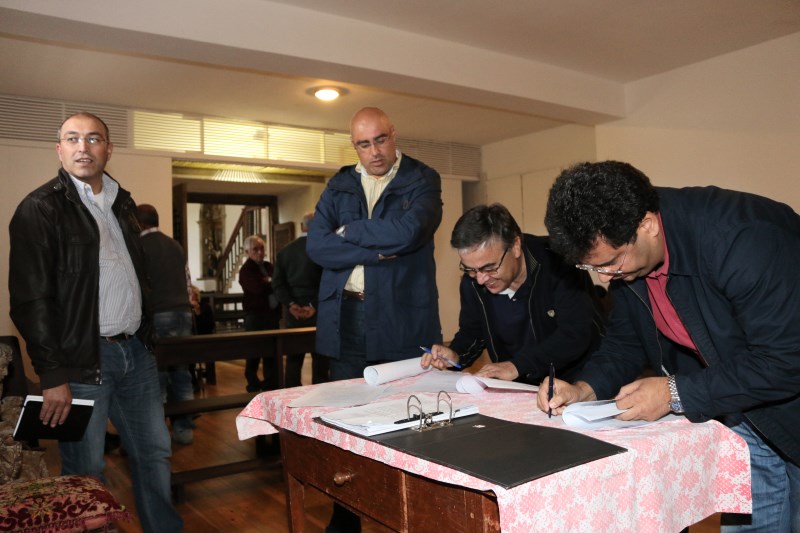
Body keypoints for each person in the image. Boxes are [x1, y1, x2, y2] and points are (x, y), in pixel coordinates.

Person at [540, 160, 800, 532]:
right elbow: (626, 342)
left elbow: (787, 360)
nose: (604, 277)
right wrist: (584, 387)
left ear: (647, 225)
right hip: (742, 405)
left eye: (610, 263)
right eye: (591, 268)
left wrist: (674, 392)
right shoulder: (632, 260)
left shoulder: (742, 238)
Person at [8, 112, 183, 532]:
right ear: (59, 149)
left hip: (135, 353)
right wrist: (53, 374)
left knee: (154, 455)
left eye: (93, 139)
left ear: (108, 148)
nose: (83, 147)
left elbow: (133, 275)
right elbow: (31, 300)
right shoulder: (39, 208)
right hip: (82, 359)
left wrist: (148, 334)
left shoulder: (122, 204)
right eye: (72, 139)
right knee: (86, 469)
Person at [306, 107, 443, 533]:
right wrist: (374, 247)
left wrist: (349, 233)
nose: (374, 152)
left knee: (409, 419)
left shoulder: (422, 179)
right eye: (364, 144)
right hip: (346, 314)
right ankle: (345, 520)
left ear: (394, 134)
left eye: (381, 140)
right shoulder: (341, 183)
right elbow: (317, 247)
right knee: (347, 419)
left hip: (403, 316)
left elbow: (408, 233)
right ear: (354, 146)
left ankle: (415, 514)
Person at [421, 203, 605, 384]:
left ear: (515, 246)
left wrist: (517, 366)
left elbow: (575, 333)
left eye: (490, 267)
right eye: (470, 269)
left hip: (580, 379)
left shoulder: (558, 262)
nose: (481, 279)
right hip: (520, 384)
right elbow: (473, 330)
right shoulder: (472, 281)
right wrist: (456, 355)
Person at [135, 203, 195, 445]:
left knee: (156, 376)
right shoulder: (175, 245)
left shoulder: (139, 246)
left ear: (138, 223)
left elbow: (137, 286)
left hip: (158, 314)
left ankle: (156, 433)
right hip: (183, 312)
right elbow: (187, 280)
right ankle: (184, 429)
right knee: (181, 372)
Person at [272, 212, 328, 387]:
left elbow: (278, 285)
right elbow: (327, 282)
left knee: (293, 361)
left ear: (302, 226)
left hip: (293, 315)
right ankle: (321, 401)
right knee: (320, 362)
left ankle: (292, 401)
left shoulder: (285, 252)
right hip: (318, 312)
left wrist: (292, 305)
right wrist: (313, 305)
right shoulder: (321, 249)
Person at [238, 234, 280, 392]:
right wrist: (269, 282)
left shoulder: (269, 266)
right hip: (255, 315)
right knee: (254, 351)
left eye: (262, 248)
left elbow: (278, 282)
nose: (260, 252)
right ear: (247, 252)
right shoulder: (246, 270)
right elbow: (256, 289)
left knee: (272, 351)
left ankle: (271, 383)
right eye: (255, 249)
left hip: (271, 315)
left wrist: (269, 281)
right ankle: (253, 382)